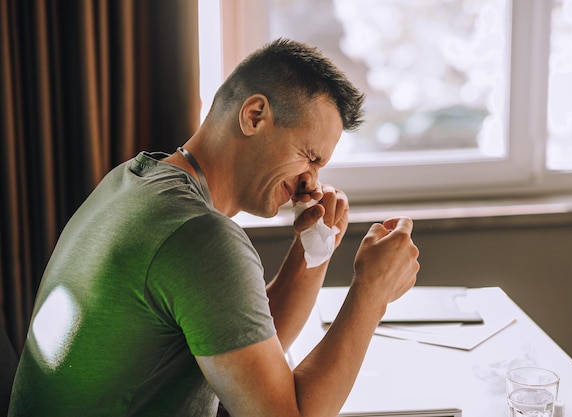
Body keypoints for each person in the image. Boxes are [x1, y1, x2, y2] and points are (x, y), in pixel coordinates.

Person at [9, 38, 420, 417]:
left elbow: (246, 343)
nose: (311, 181)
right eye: (309, 157)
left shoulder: (132, 180)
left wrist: (315, 249)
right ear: (254, 115)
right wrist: (371, 293)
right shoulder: (199, 235)